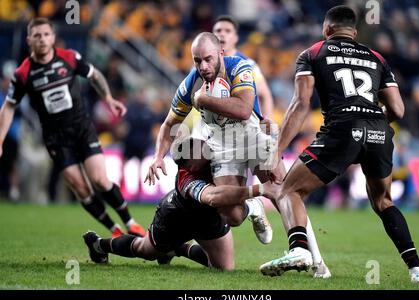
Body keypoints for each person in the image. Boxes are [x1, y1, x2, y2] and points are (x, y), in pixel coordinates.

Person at [259, 6, 419, 284]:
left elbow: (301, 104)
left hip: (342, 129)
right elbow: (398, 110)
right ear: (355, 32)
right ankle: (417, 270)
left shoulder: (313, 53)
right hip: (378, 131)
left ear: (327, 30)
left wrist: (276, 151)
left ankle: (299, 250)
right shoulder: (376, 57)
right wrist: (372, 119)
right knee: (383, 200)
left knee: (289, 190)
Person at [145, 32, 330, 278]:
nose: (203, 66)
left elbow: (243, 110)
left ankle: (316, 262)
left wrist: (205, 99)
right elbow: (169, 124)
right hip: (221, 147)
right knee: (231, 216)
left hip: (251, 136)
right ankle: (253, 207)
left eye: (208, 59)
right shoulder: (190, 84)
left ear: (221, 53)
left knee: (282, 189)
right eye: (197, 61)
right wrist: (159, 156)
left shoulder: (238, 68)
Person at [0, 18, 146, 238]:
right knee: (81, 188)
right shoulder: (23, 74)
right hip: (55, 139)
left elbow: (94, 75)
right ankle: (114, 230)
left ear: (53, 37)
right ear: (29, 40)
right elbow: (9, 106)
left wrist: (108, 98)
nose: (42, 39)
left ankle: (130, 222)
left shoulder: (69, 58)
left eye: (45, 34)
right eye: (36, 35)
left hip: (81, 128)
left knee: (99, 180)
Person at [84, 138, 278, 270]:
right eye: (197, 152)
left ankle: (178, 249)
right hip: (178, 216)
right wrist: (259, 190)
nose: (204, 150)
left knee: (224, 268)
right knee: (145, 250)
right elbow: (213, 197)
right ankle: (99, 245)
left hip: (209, 217)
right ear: (191, 165)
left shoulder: (215, 151)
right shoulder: (187, 181)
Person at [212, 15, 274, 118]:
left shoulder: (248, 65)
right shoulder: (204, 63)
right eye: (218, 31)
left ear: (235, 38)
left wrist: (266, 122)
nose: (222, 34)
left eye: (227, 31)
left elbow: (265, 95)